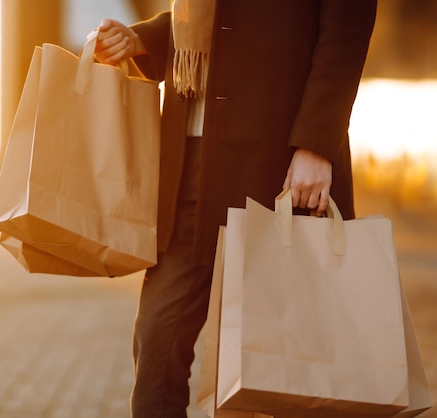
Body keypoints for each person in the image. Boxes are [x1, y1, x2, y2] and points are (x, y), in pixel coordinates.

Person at [94, 1, 377, 416]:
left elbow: (344, 35)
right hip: (189, 167)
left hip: (275, 164)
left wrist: (317, 145)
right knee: (157, 347)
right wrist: (143, 39)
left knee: (277, 364)